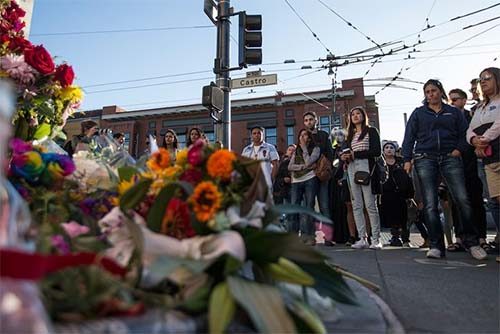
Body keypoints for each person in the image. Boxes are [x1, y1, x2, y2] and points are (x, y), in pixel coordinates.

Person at [402, 79, 487, 260]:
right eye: (427, 92)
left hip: (450, 156)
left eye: (433, 90)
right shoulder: (418, 113)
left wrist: (458, 150)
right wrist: (407, 159)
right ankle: (436, 245)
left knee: (462, 199)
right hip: (425, 158)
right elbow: (409, 137)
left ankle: (472, 242)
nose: (431, 94)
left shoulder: (454, 112)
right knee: (431, 204)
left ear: (441, 92)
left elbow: (465, 134)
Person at [448, 88, 488, 252]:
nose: (452, 103)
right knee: (457, 203)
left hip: (473, 165)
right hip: (454, 166)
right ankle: (459, 238)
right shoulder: (448, 119)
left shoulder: (472, 117)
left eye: (455, 99)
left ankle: (481, 238)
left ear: (464, 100)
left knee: (476, 202)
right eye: (450, 100)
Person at [466, 67, 500, 262]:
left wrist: (483, 139)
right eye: (481, 79)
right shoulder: (479, 108)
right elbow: (469, 129)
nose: (484, 82)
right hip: (488, 159)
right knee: (495, 200)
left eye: (488, 78)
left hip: (495, 149)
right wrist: (473, 141)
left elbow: (498, 124)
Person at [341, 106, 383, 250]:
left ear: (363, 116)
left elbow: (376, 151)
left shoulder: (371, 131)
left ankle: (376, 239)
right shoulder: (349, 135)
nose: (355, 116)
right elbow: (346, 150)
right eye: (353, 114)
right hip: (352, 168)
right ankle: (362, 238)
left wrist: (356, 154)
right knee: (356, 205)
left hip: (367, 167)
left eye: (358, 113)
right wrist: (345, 156)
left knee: (370, 205)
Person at [288, 129, 320, 245]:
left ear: (309, 138)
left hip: (310, 180)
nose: (302, 137)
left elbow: (309, 161)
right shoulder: (296, 151)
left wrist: (304, 149)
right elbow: (290, 167)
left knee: (309, 208)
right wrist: (303, 167)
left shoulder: (315, 149)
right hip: (296, 180)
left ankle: (310, 237)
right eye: (300, 135)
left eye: (305, 135)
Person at [380, 141, 413, 247]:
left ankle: (406, 239)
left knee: (404, 217)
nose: (389, 149)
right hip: (387, 194)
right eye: (387, 147)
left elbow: (408, 179)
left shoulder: (401, 162)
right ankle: (395, 237)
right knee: (391, 217)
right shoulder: (381, 163)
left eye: (391, 147)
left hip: (401, 194)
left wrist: (410, 194)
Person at [303, 111, 334, 222]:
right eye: (306, 120)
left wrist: (326, 170)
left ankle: (327, 237)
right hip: (307, 175)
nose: (308, 122)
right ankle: (310, 236)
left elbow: (330, 154)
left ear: (316, 121)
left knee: (324, 206)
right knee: (309, 206)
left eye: (311, 119)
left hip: (322, 175)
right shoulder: (302, 136)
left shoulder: (324, 135)